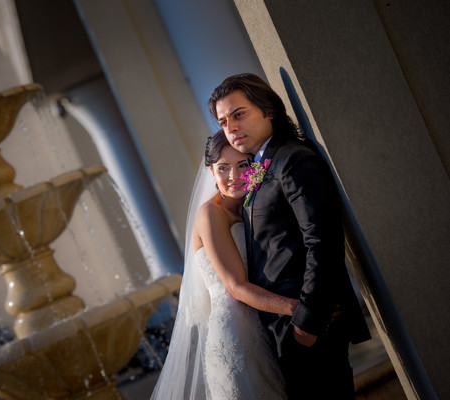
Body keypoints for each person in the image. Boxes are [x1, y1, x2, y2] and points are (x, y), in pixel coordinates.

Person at [208, 73, 371, 399]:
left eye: (239, 114)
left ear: (269, 110)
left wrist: (306, 323)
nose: (231, 127)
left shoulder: (293, 160)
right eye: (224, 121)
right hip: (282, 327)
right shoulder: (262, 164)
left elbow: (322, 242)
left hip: (309, 324)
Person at [151, 130, 297, 400]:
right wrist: (298, 309)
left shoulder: (249, 205)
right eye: (223, 168)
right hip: (235, 336)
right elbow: (236, 286)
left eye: (243, 165)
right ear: (211, 170)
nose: (234, 176)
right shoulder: (210, 213)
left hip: (262, 326)